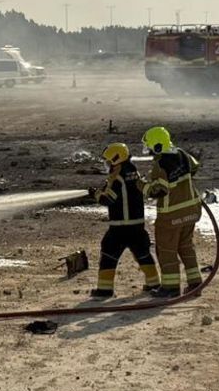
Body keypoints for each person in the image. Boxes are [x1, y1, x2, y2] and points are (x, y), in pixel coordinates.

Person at [87, 143, 160, 299]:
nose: (107, 164)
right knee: (143, 254)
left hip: (120, 227)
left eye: (108, 161)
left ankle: (104, 289)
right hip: (137, 225)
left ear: (116, 159)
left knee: (108, 255)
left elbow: (108, 200)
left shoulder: (118, 177)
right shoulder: (133, 172)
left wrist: (96, 195)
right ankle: (154, 283)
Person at [142, 126, 203, 298]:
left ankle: (170, 287)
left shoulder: (160, 164)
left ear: (157, 146)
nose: (149, 151)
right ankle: (195, 284)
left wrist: (142, 185)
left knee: (166, 250)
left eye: (150, 147)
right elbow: (194, 167)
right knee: (186, 248)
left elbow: (158, 191)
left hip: (171, 217)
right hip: (191, 211)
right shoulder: (182, 154)